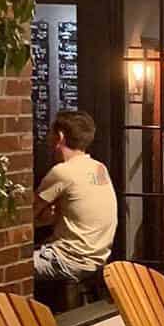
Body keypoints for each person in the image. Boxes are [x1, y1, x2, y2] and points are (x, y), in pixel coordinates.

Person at [32, 110, 116, 283]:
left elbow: (27, 217)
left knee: (9, 269)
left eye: (50, 133)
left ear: (60, 136)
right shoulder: (99, 168)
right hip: (98, 259)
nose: (47, 139)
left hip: (67, 261)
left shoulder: (62, 172)